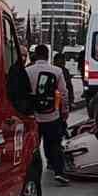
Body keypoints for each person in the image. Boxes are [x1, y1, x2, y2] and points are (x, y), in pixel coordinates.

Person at [26, 44, 74, 186]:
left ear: (36, 55)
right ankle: (59, 172)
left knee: (32, 146)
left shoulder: (28, 71)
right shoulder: (57, 71)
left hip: (33, 117)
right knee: (54, 144)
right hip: (52, 115)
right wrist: (64, 111)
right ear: (48, 56)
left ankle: (30, 172)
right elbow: (63, 94)